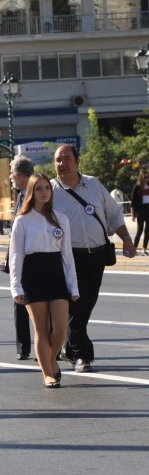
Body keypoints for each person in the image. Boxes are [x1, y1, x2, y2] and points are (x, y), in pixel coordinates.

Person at [52, 144, 135, 372]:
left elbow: (114, 214)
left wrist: (126, 239)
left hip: (96, 256)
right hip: (69, 258)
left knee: (87, 304)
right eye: (58, 160)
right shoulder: (49, 191)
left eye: (67, 158)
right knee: (78, 305)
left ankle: (66, 344)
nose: (62, 163)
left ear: (77, 162)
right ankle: (82, 356)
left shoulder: (94, 185)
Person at [10, 174, 80, 388]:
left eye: (47, 188)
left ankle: (49, 360)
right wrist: (16, 286)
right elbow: (16, 255)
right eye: (39, 188)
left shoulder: (61, 219)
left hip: (55, 274)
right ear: (31, 192)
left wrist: (73, 286)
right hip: (33, 275)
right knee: (40, 328)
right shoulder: (22, 221)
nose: (44, 192)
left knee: (59, 327)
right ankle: (47, 373)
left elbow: (67, 255)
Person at [6, 155, 35, 360]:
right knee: (21, 300)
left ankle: (43, 346)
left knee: (38, 303)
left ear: (19, 175)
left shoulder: (36, 195)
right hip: (21, 256)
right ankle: (23, 347)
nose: (10, 178)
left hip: (35, 257)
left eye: (12, 174)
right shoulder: (21, 195)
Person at [131, 171, 149, 256]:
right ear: (141, 178)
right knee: (139, 230)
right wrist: (132, 214)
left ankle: (144, 250)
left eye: (148, 177)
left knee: (147, 231)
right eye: (145, 177)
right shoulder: (137, 187)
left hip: (148, 210)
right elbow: (133, 202)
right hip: (140, 212)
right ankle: (134, 248)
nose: (147, 178)